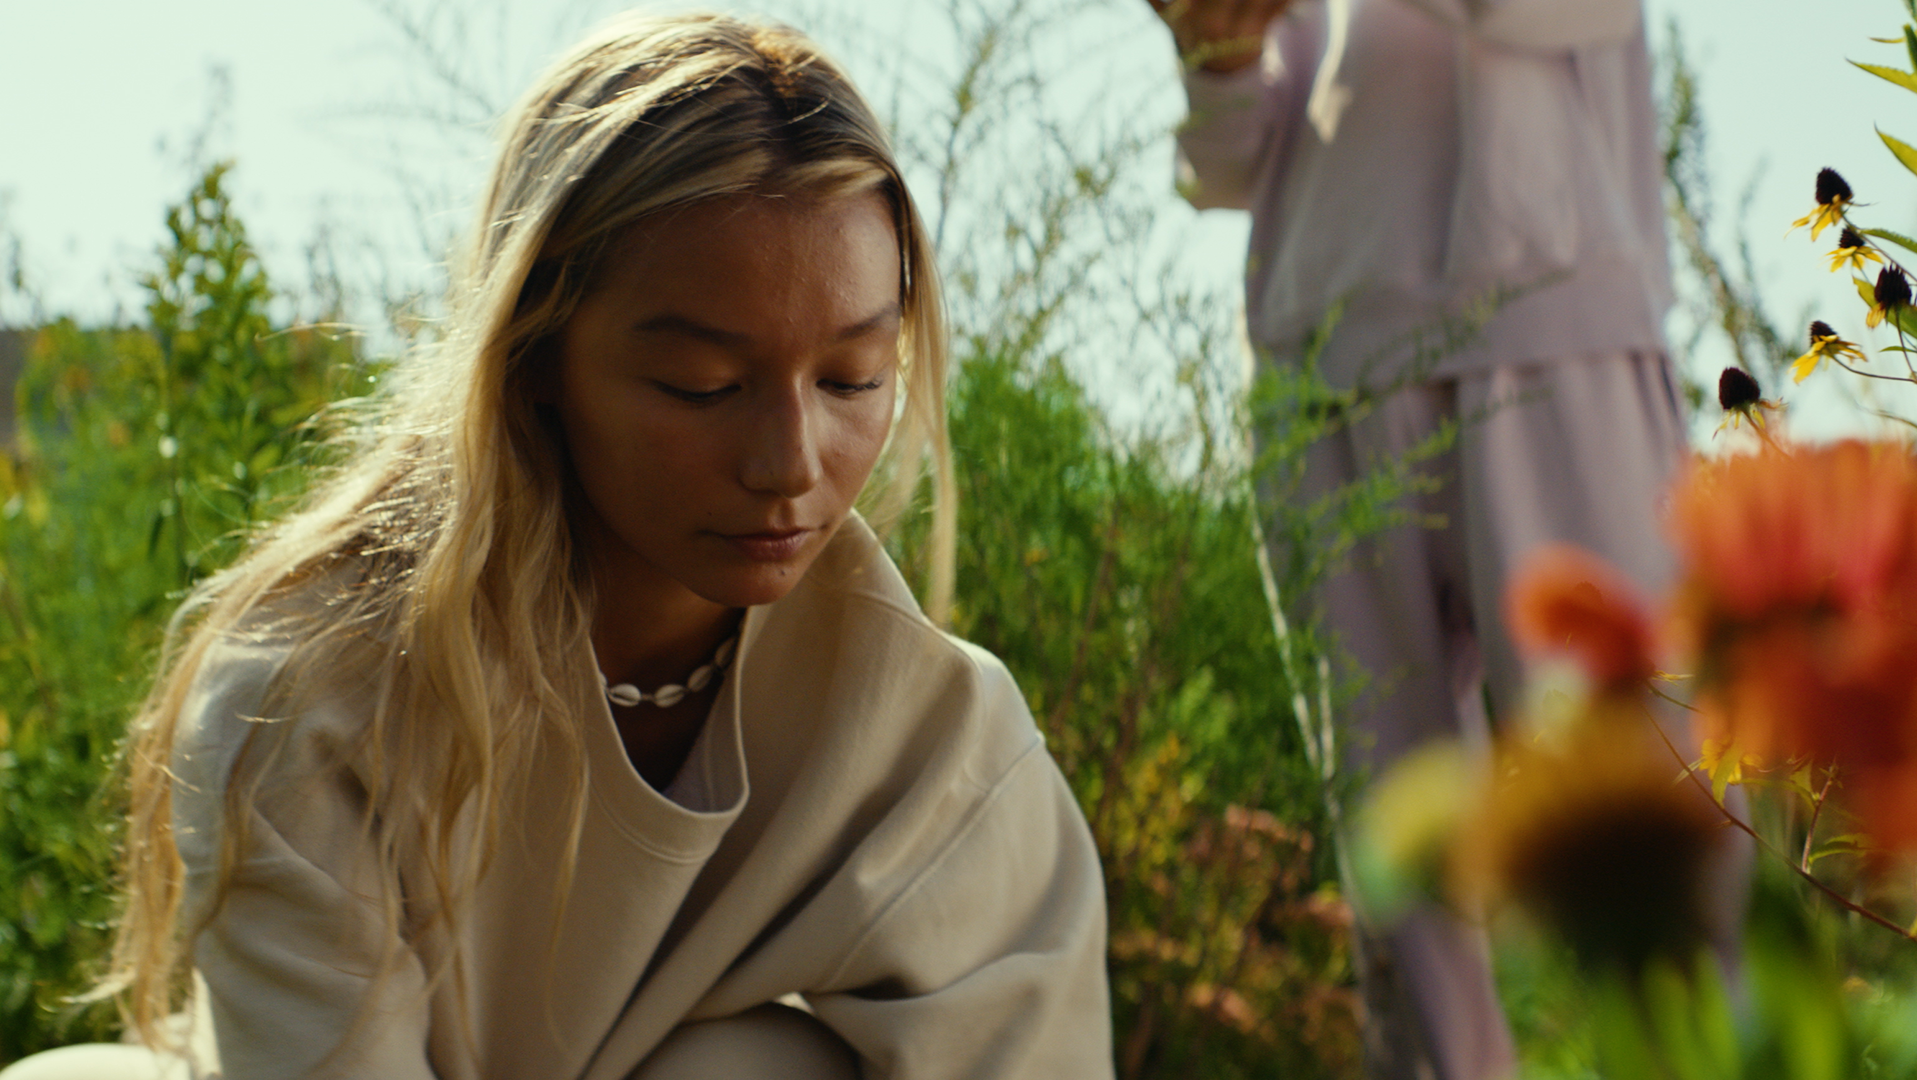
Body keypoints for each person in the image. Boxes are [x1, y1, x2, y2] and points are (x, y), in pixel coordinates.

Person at [0, 13, 1111, 1080]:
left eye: (851, 379)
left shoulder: (940, 750)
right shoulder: (313, 698)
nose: (789, 460)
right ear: (534, 352)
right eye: (703, 385)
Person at [1145, 1, 1731, 1078]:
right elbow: (1229, 161)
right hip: (1315, 356)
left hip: (1555, 323)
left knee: (1655, 815)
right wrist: (1215, 53)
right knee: (1399, 895)